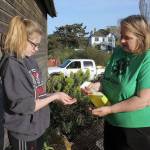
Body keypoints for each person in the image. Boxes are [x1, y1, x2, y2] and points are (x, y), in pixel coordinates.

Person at [0, 16, 77, 150]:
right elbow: (24, 105)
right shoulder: (12, 65)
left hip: (37, 128)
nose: (36, 49)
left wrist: (57, 96)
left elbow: (37, 93)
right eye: (34, 44)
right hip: (24, 132)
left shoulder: (29, 60)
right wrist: (55, 96)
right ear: (21, 39)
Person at [82, 15, 150, 150]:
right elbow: (109, 80)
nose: (122, 41)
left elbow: (143, 100)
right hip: (111, 123)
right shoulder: (118, 52)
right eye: (121, 36)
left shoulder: (146, 59)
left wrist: (110, 109)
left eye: (127, 37)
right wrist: (96, 87)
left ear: (141, 37)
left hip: (135, 130)